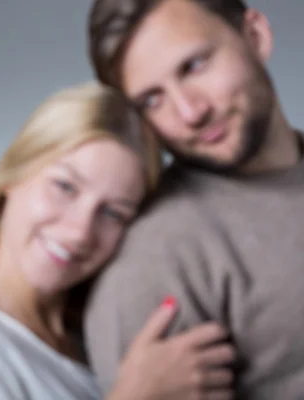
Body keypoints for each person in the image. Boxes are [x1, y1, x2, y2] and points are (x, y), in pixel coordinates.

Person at [0, 82, 235, 400]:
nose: (81, 231)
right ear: (14, 173)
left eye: (113, 213)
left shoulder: (83, 334)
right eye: (65, 187)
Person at [86, 0, 304, 398]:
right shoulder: (158, 259)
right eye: (152, 99)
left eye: (193, 66)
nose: (190, 112)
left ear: (255, 36)